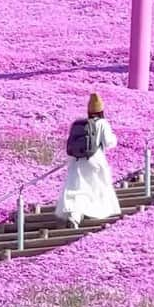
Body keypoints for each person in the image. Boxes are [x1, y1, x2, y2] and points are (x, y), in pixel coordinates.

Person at [55, 92, 121, 229]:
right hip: (95, 160)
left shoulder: (79, 124)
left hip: (77, 161)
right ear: (101, 111)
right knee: (96, 188)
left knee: (78, 190)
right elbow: (109, 142)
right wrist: (115, 138)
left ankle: (74, 217)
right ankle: (93, 212)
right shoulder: (102, 123)